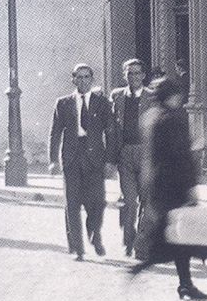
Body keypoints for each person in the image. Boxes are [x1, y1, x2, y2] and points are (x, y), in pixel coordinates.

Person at [128, 77, 207, 300]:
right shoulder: (174, 120)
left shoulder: (150, 118)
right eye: (177, 94)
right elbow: (181, 157)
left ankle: (185, 285)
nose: (181, 98)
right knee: (174, 239)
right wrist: (191, 187)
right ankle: (142, 267)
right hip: (176, 186)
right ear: (171, 96)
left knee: (177, 237)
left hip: (158, 185)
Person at [48, 63, 112, 259]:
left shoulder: (102, 103)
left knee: (98, 202)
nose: (83, 81)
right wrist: (53, 161)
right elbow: (55, 133)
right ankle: (77, 247)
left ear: (92, 80)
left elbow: (110, 131)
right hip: (72, 157)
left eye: (87, 77)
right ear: (73, 79)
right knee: (72, 203)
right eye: (79, 77)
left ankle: (94, 233)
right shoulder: (63, 103)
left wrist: (110, 160)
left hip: (94, 158)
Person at [108, 60, 151, 256]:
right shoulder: (116, 97)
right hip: (125, 153)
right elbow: (110, 128)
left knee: (147, 201)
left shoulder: (153, 97)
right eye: (129, 73)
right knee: (129, 201)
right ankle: (129, 239)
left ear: (143, 75)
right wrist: (110, 157)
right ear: (124, 75)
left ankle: (141, 245)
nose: (133, 77)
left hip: (147, 154)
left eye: (137, 73)